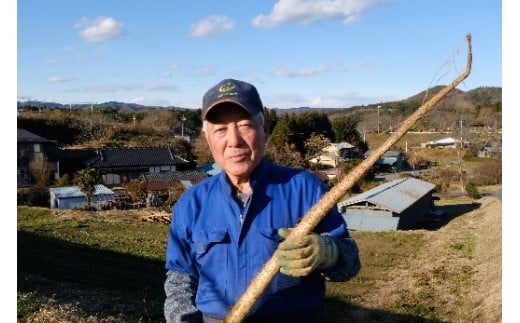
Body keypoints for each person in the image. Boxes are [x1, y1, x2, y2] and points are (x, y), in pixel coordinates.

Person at [164, 78, 361, 323]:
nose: (234, 141)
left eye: (245, 125)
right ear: (207, 137)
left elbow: (350, 263)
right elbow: (179, 279)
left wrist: (328, 252)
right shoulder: (192, 203)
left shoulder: (304, 188)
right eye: (220, 130)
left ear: (264, 128)